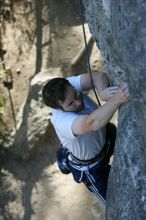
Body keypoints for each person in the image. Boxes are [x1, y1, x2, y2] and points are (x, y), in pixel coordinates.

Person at [42, 72, 129, 205]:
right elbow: (92, 123)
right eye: (71, 104)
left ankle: (65, 155)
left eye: (76, 94)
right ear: (59, 108)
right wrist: (117, 98)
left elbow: (97, 76)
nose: (78, 101)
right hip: (92, 168)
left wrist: (102, 92)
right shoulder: (61, 121)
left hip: (106, 136)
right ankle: (66, 160)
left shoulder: (66, 88)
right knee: (115, 202)